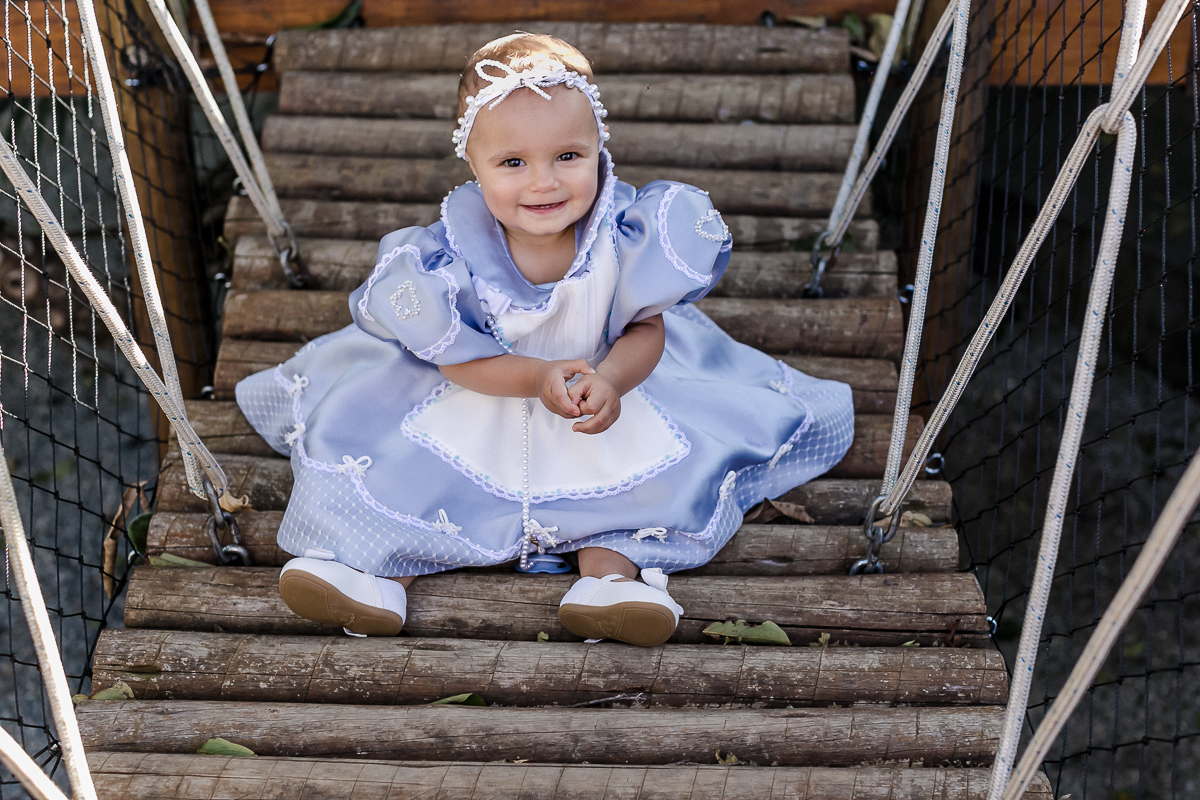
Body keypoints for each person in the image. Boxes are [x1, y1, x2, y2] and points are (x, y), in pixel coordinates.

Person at [235, 32, 855, 647]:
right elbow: (457, 361)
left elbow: (646, 329)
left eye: (568, 156)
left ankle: (610, 586)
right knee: (410, 475)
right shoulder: (449, 260)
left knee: (634, 486)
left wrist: (613, 380)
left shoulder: (624, 237)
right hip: (484, 390)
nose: (544, 183)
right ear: (473, 164)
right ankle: (371, 577)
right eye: (513, 163)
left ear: (599, 147)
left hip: (598, 393)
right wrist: (534, 377)